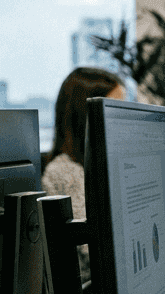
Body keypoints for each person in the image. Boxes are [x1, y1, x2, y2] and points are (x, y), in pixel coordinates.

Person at [41, 67, 125, 279]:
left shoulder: (108, 163)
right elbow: (96, 249)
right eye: (115, 111)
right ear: (86, 116)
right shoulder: (65, 171)